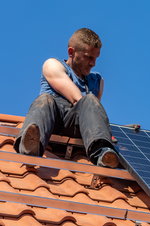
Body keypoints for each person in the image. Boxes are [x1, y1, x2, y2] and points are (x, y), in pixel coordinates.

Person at [14, 28, 119, 168]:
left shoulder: (97, 81)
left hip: (76, 127)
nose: (93, 63)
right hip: (51, 122)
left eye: (96, 58)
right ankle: (31, 146)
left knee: (91, 100)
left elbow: (91, 115)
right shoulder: (52, 65)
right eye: (89, 57)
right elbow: (76, 98)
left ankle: (102, 153)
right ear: (71, 52)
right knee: (45, 100)